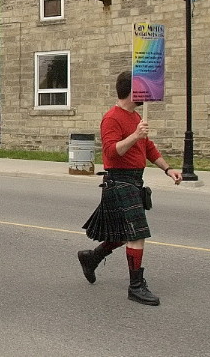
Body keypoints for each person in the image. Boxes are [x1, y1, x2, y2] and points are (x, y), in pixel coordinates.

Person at [78, 71, 183, 306]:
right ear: (132, 91)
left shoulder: (137, 117)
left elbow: (149, 149)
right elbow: (111, 152)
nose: (146, 93)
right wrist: (135, 135)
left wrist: (168, 170)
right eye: (142, 89)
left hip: (135, 181)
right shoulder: (112, 118)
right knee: (137, 234)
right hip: (119, 180)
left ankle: (91, 258)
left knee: (123, 234)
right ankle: (135, 286)